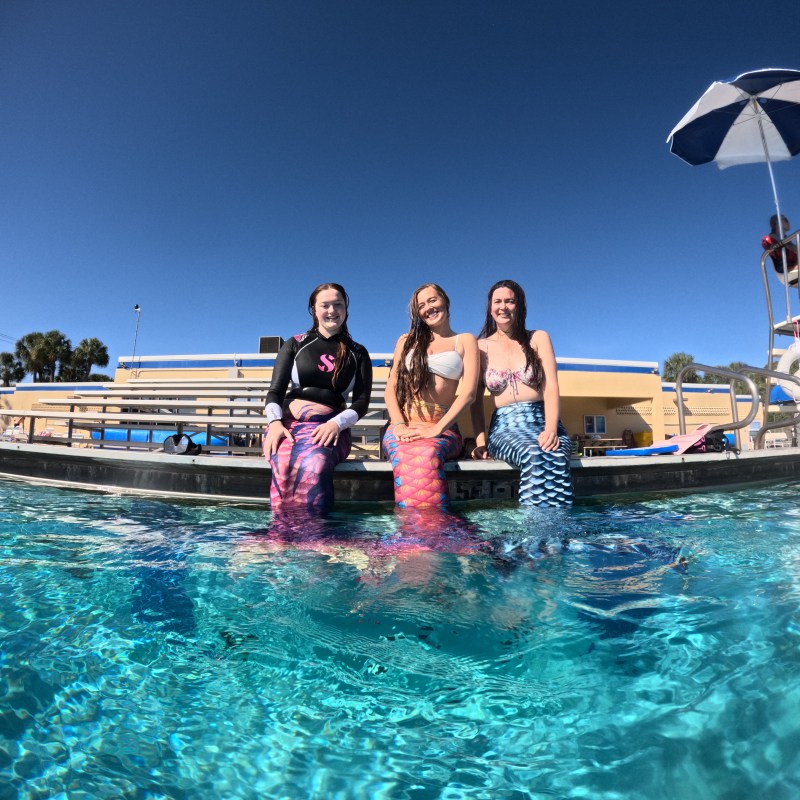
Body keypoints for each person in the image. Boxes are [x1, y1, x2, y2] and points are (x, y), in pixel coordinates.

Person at [263, 283, 373, 513]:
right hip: (287, 425)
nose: (332, 310)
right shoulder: (296, 343)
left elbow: (361, 402)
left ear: (346, 309)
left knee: (316, 464)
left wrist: (336, 424)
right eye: (325, 305)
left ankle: (316, 534)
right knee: (282, 462)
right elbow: (275, 392)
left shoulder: (358, 352)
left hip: (331, 428)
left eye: (338, 304)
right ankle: (282, 532)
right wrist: (274, 424)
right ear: (314, 309)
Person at [470, 279, 573, 507]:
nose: (503, 306)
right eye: (498, 301)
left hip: (543, 422)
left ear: (520, 306)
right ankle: (537, 533)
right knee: (534, 453)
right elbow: (475, 401)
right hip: (505, 428)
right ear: (490, 308)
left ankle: (553, 534)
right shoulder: (480, 347)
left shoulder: (538, 338)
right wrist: (480, 442)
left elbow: (551, 386)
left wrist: (551, 429)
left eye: (510, 301)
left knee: (553, 453)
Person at [383, 283, 479, 508]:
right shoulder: (406, 341)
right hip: (404, 423)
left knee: (427, 452)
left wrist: (437, 429)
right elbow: (391, 388)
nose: (429, 308)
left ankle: (432, 530)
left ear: (445, 300)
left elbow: (469, 393)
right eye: (422, 305)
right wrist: (398, 425)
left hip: (442, 426)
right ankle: (411, 533)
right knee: (407, 454)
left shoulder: (465, 340)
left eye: (433, 300)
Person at [762, 214, 798, 280]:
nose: (788, 221)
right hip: (785, 268)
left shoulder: (788, 240)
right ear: (776, 222)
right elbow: (768, 245)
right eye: (785, 219)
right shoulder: (770, 239)